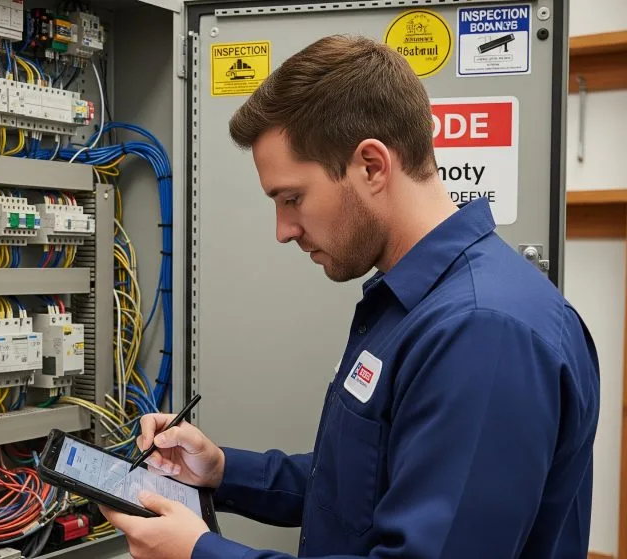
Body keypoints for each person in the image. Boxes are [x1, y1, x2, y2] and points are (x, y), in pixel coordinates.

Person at [98, 34, 601, 559]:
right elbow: (362, 488)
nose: (283, 229)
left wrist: (199, 553)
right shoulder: (410, 304)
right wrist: (223, 471)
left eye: (292, 198)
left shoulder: (482, 331)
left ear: (371, 166)